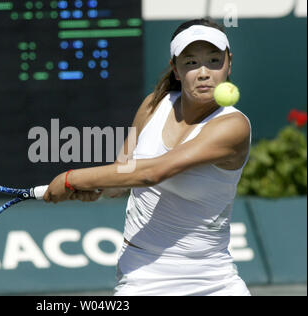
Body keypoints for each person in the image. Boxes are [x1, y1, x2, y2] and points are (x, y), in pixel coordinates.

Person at [43, 18, 252, 296]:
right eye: (191, 63)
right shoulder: (154, 105)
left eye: (214, 60)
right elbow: (124, 174)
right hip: (143, 279)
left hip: (213, 283)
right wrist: (98, 187)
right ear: (175, 69)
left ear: (229, 64)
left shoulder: (233, 126)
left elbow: (153, 172)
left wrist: (71, 178)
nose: (203, 73)